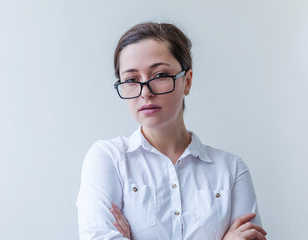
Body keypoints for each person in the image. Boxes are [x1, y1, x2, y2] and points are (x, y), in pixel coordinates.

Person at [76, 22, 267, 240]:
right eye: (131, 79)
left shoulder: (232, 170)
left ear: (187, 81)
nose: (145, 92)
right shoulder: (107, 158)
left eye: (159, 76)